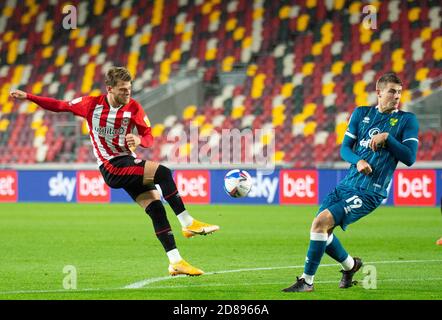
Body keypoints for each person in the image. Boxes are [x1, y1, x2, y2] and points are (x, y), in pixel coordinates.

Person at [10, 66, 219, 276]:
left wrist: (138, 139)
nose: (127, 93)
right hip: (112, 167)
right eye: (122, 90)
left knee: (156, 209)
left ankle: (176, 262)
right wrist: (28, 96)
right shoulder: (91, 105)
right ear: (109, 89)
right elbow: (59, 105)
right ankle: (188, 223)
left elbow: (148, 136)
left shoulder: (134, 107)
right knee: (163, 173)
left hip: (128, 162)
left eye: (129, 89)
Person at [283, 72, 419, 292]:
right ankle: (350, 266)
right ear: (379, 92)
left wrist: (388, 138)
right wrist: (358, 161)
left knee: (320, 223)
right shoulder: (361, 113)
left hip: (370, 191)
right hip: (347, 184)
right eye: (392, 91)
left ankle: (307, 282)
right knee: (321, 230)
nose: (397, 96)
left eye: (400, 92)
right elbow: (345, 149)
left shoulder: (407, 120)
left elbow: (410, 158)